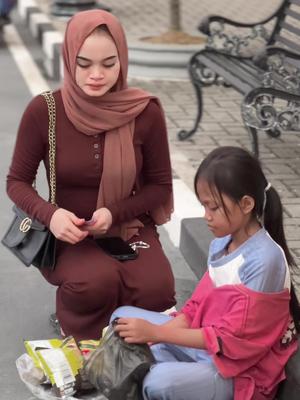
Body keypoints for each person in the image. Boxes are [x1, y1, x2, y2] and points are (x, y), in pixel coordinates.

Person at [6, 9, 176, 341]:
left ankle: (130, 346)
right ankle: (78, 333)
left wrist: (115, 212)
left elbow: (160, 186)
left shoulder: (145, 112)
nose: (96, 75)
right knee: (94, 284)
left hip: (127, 227)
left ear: (122, 60)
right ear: (70, 58)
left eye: (108, 64)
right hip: (67, 235)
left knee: (157, 289)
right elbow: (17, 181)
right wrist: (51, 216)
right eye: (84, 64)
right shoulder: (45, 111)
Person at [112, 146, 300, 400]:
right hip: (207, 346)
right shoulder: (222, 243)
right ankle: (175, 372)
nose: (206, 217)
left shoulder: (264, 262)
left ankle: (171, 374)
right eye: (204, 206)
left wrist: (156, 333)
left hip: (241, 370)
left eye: (213, 208)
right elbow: (195, 309)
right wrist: (156, 335)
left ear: (246, 204)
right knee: (121, 319)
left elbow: (232, 342)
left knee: (158, 382)